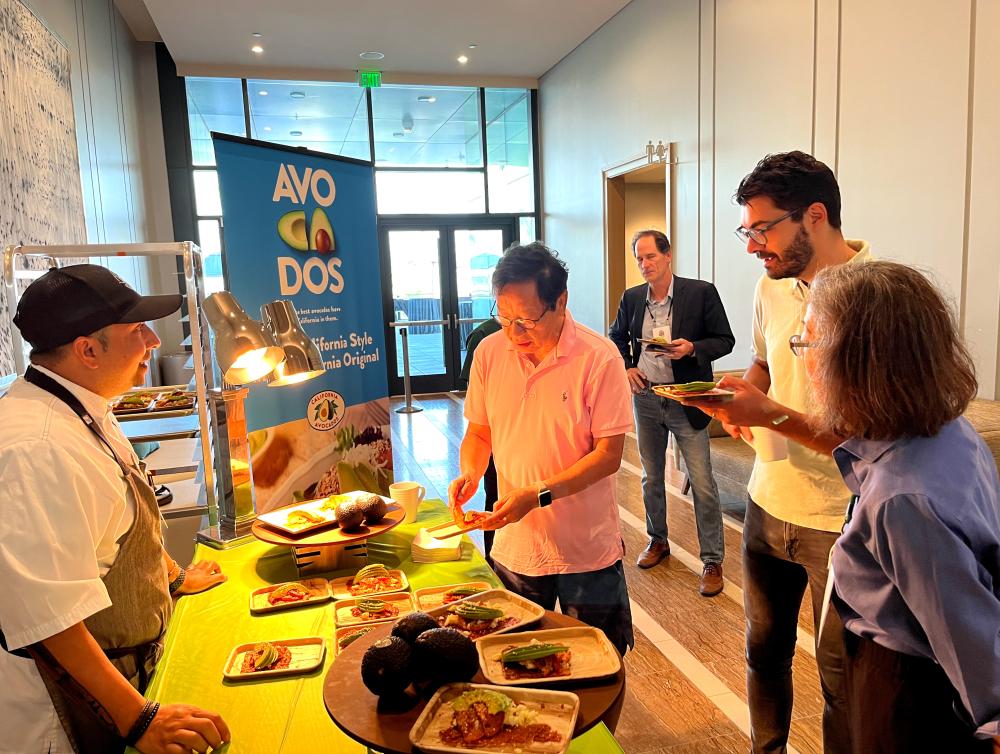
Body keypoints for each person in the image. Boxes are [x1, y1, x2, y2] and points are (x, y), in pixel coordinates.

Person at [683, 152, 871, 754]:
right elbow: (766, 361)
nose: (751, 247)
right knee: (763, 653)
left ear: (815, 216)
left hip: (843, 519)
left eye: (762, 231)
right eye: (749, 231)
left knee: (843, 679)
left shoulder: (876, 296)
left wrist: (767, 415)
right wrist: (745, 397)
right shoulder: (771, 286)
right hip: (768, 502)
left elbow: (866, 435)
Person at [0, 265, 230, 754]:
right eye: (136, 330)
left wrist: (172, 576)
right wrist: (140, 721)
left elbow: (128, 509)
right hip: (65, 708)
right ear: (87, 349)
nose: (151, 340)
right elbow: (49, 616)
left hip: (130, 663)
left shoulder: (87, 405)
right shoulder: (35, 448)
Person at [804, 261, 1000, 752]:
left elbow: (968, 638)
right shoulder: (949, 430)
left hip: (905, 689)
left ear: (855, 361)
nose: (802, 356)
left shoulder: (902, 498)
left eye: (806, 341)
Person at [448, 243, 635, 655]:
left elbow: (608, 455)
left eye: (527, 320)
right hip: (516, 543)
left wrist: (538, 494)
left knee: (594, 664)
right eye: (504, 318)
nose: (514, 334)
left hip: (585, 550)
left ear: (561, 301)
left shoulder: (599, 358)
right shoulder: (489, 353)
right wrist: (470, 473)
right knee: (508, 659)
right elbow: (480, 433)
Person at [608, 229, 735, 596]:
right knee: (650, 477)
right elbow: (617, 336)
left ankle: (712, 560)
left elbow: (725, 340)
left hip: (686, 399)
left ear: (667, 256)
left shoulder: (700, 292)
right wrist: (627, 365)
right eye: (639, 259)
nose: (644, 264)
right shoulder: (632, 298)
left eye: (649, 257)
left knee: (703, 483)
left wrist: (692, 348)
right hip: (647, 399)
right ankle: (657, 540)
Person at [457, 317, 502, 564]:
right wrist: (470, 473)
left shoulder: (593, 353)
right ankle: (492, 562)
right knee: (494, 501)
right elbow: (477, 428)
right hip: (497, 454)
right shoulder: (485, 341)